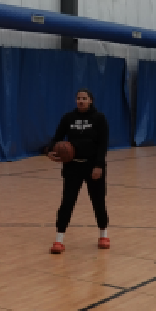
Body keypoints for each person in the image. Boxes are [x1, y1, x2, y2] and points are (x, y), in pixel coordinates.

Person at [46, 89, 110, 253]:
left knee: (98, 202)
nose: (81, 101)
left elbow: (103, 145)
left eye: (84, 98)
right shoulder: (68, 118)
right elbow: (56, 138)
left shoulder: (99, 118)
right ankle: (59, 240)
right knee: (67, 203)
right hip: (72, 167)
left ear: (91, 100)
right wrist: (50, 151)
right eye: (78, 98)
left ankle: (104, 234)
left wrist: (99, 166)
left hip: (92, 166)